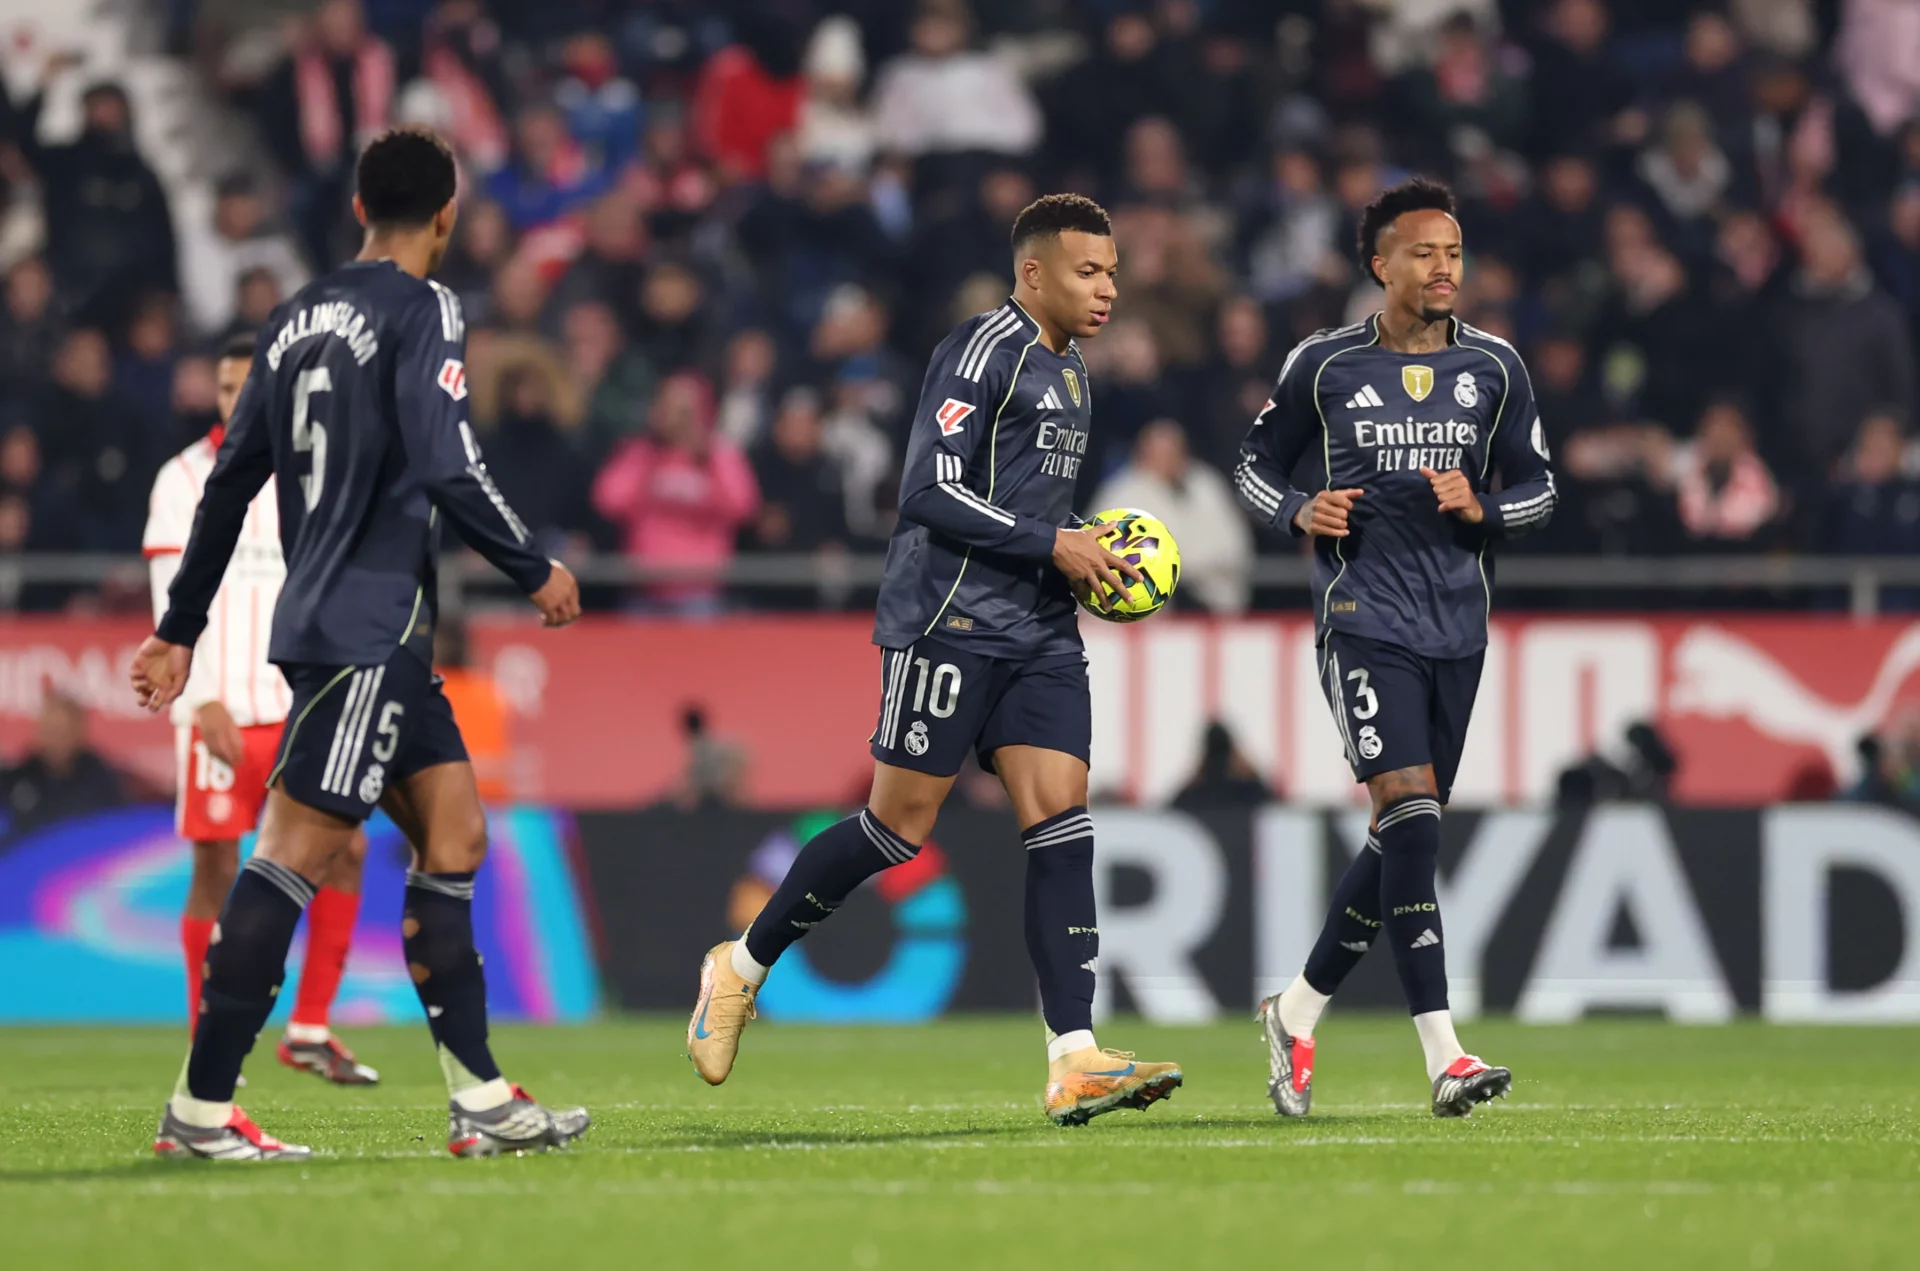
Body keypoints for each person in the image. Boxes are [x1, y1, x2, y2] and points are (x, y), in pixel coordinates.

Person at [130, 127, 586, 1162]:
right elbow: (446, 454)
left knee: (455, 834)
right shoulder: (426, 307)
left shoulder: (290, 320)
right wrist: (530, 565)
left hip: (361, 632)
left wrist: (175, 630)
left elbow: (229, 481)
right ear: (447, 216)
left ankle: (481, 1099)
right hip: (365, 626)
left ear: (355, 209)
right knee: (293, 851)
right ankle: (200, 1111)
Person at [686, 194, 1185, 1127]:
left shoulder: (1074, 372)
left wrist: (1077, 552)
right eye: (1089, 271)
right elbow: (927, 492)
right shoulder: (982, 348)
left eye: (1113, 271)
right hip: (948, 620)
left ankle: (1074, 1055)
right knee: (895, 828)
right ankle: (741, 964)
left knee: (1061, 818)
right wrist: (1056, 543)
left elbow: (1025, 506)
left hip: (1037, 630)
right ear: (1032, 273)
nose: (1108, 287)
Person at [1234, 178, 1555, 1119]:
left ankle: (1294, 1012)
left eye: (1454, 250)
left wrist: (1483, 507)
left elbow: (1541, 491)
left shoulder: (1496, 369)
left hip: (1459, 627)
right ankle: (1445, 1056)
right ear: (1380, 266)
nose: (1444, 265)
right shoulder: (1324, 365)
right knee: (1408, 814)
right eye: (1424, 251)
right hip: (1363, 616)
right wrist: (1300, 507)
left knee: (1400, 839)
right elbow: (1253, 465)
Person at [143, 331, 374, 1083]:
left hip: (299, 703)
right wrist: (200, 694)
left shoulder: (313, 474)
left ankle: (308, 1026)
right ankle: (205, 1039)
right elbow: (171, 591)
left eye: (247, 387)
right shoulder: (182, 478)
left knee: (347, 848)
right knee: (214, 867)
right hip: (220, 706)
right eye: (224, 388)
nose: (234, 400)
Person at [0, 692, 126, 833]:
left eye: (62, 732)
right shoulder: (16, 779)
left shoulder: (100, 779)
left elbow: (115, 830)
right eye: (50, 731)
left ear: (78, 732)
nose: (55, 740)